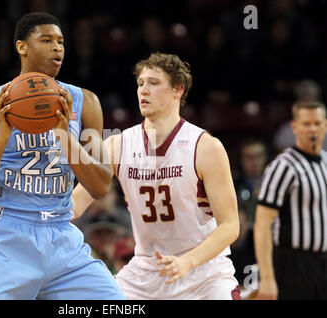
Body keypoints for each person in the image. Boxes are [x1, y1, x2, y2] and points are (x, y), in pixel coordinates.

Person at [0, 12, 125, 300]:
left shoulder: (85, 102)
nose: (57, 47)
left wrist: (64, 136)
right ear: (21, 47)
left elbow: (100, 186)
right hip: (8, 237)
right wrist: (1, 140)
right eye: (46, 40)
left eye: (60, 42)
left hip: (62, 236)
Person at [72, 52, 240, 299]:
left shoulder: (205, 147)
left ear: (177, 90)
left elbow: (230, 226)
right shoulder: (117, 145)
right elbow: (74, 205)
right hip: (145, 273)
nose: (143, 90)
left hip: (204, 273)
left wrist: (188, 262)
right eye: (140, 83)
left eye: (153, 83)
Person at [254, 100, 327, 300]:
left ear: (325, 125)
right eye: (306, 124)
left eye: (317, 123)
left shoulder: (326, 162)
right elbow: (262, 224)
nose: (312, 128)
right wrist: (267, 278)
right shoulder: (283, 166)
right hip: (293, 263)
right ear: (294, 127)